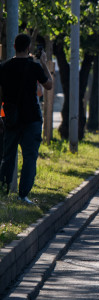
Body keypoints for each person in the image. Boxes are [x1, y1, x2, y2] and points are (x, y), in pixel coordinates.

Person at [0, 33, 53, 204]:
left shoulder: (4, 67)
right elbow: (49, 85)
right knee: (30, 157)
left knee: (8, 156)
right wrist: (43, 63)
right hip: (32, 119)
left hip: (11, 119)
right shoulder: (34, 67)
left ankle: (2, 190)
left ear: (14, 46)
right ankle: (23, 195)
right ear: (28, 47)